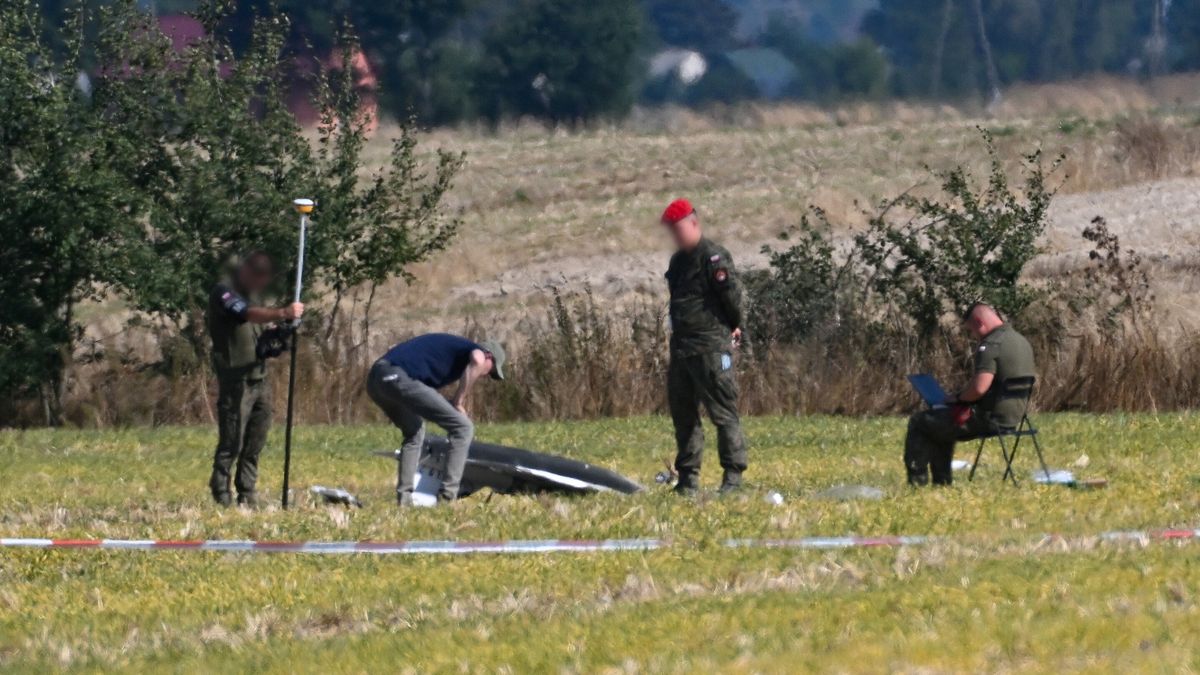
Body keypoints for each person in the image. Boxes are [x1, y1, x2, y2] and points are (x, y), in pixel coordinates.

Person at [660, 198, 748, 496]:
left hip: (711, 347)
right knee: (683, 415)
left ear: (693, 224)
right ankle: (687, 480)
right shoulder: (677, 262)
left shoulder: (713, 257)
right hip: (682, 349)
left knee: (723, 413)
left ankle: (733, 478)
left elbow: (732, 299)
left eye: (678, 229)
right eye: (671, 231)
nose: (675, 236)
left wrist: (733, 325)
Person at [206, 251, 304, 507]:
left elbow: (261, 333)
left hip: (260, 377)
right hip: (236, 380)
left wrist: (282, 332)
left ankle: (247, 493)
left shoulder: (256, 300)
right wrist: (282, 312)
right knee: (233, 440)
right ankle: (221, 493)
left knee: (256, 439)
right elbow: (246, 314)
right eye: (257, 275)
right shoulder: (224, 294)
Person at [904, 302, 1036, 486]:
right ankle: (941, 483)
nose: (973, 336)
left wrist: (956, 398)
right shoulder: (1021, 341)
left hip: (989, 419)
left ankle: (918, 482)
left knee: (920, 421)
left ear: (980, 322)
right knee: (941, 424)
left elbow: (979, 389)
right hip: (1015, 417)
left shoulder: (991, 345)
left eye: (972, 330)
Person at [366, 333, 506, 505]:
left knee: (414, 431)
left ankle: (405, 500)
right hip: (397, 377)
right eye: (491, 370)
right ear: (489, 355)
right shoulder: (475, 351)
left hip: (376, 379)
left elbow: (394, 351)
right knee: (463, 428)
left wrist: (450, 405)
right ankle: (447, 499)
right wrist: (458, 400)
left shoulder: (450, 352)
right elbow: (477, 360)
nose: (486, 375)